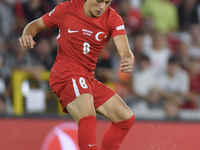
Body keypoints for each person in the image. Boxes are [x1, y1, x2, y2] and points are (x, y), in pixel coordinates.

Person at [19, 0, 135, 150]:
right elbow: (35, 25)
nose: (102, 7)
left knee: (125, 118)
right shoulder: (67, 9)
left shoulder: (112, 18)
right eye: (99, 1)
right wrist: (27, 34)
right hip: (65, 75)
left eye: (107, 2)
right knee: (88, 116)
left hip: (87, 79)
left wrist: (127, 58)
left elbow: (125, 50)